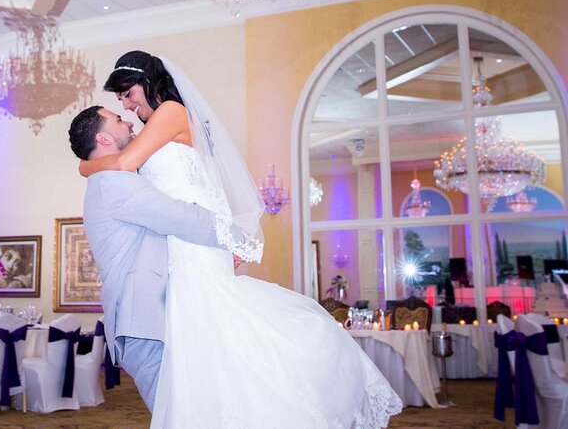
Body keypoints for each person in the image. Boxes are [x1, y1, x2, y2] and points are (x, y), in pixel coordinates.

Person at [79, 51, 403, 428]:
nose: (126, 103)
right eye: (119, 100)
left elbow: (123, 164)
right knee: (208, 355)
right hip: (183, 249)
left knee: (214, 341)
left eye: (126, 93)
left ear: (149, 81)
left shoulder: (169, 111)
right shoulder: (165, 121)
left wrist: (84, 165)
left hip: (192, 248)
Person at [69, 105, 234, 411]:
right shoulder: (112, 183)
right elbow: (179, 217)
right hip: (142, 319)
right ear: (104, 139)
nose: (128, 120)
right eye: (118, 119)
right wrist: (236, 238)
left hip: (147, 318)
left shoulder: (110, 177)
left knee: (187, 411)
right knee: (176, 413)